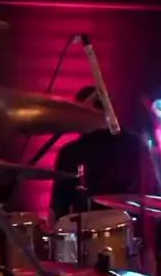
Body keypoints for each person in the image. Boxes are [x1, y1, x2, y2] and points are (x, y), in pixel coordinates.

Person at [47, 85, 149, 226]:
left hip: (85, 232)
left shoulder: (70, 153)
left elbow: (57, 211)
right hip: (130, 230)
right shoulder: (136, 144)